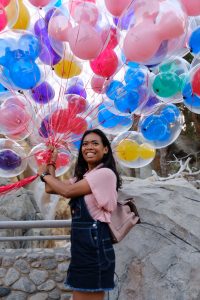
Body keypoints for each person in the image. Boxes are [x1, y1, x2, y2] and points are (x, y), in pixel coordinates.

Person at [38, 129, 122, 300]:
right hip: (82, 248)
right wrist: (52, 163)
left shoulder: (104, 174)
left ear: (105, 149)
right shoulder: (82, 178)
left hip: (95, 248)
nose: (89, 147)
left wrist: (44, 174)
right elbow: (50, 187)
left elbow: (67, 191)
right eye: (85, 144)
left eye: (95, 143)